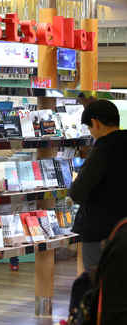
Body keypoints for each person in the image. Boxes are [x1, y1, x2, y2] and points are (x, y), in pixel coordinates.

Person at [70, 100, 127, 271]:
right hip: (123, 230)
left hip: (100, 233)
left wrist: (76, 180)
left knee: (98, 289)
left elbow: (78, 193)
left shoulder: (101, 150)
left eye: (89, 127)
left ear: (94, 123)